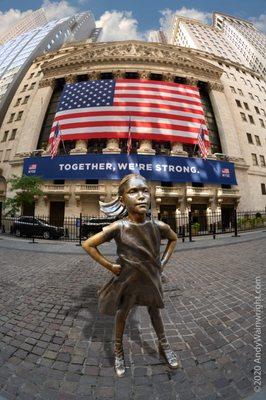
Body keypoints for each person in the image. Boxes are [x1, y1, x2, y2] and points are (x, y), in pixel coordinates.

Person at [82, 173, 179, 377]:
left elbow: (173, 239)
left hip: (151, 277)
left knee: (155, 311)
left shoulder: (157, 226)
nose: (142, 196)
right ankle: (118, 350)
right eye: (134, 191)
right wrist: (110, 266)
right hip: (127, 279)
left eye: (145, 190)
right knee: (123, 313)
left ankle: (164, 345)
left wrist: (162, 262)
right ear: (122, 199)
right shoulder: (119, 227)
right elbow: (88, 244)